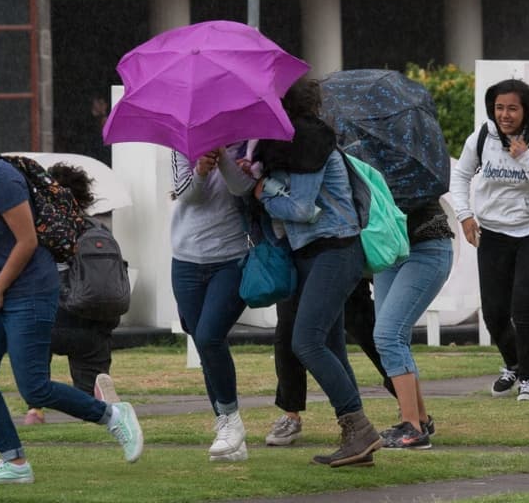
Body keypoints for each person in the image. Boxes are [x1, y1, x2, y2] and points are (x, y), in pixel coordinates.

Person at [0, 114, 143, 486]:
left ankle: (114, 417)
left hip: (30, 292)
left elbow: (27, 242)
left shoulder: (1, 177)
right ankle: (14, 462)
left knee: (34, 387)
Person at [253, 79, 381, 468]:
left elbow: (302, 208)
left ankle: (359, 428)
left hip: (333, 250)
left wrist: (263, 192)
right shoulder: (298, 144)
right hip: (317, 253)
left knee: (305, 342)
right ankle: (356, 441)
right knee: (331, 346)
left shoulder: (309, 143)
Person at [449, 79, 529, 402]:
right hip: (493, 232)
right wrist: (464, 215)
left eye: (512, 108)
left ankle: (528, 380)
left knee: (523, 307)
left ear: (526, 110)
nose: (505, 115)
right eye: (499, 108)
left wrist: (526, 159)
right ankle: (513, 363)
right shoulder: (482, 136)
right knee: (494, 313)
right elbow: (461, 175)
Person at [170, 142, 256, 462]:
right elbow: (187, 195)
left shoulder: (249, 142)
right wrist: (201, 171)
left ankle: (231, 421)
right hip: (186, 258)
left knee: (209, 336)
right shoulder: (182, 144)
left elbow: (243, 189)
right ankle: (227, 428)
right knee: (202, 341)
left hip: (231, 258)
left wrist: (223, 161)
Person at [23, 163, 121, 426]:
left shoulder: (41, 231)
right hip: (95, 322)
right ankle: (98, 393)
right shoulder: (99, 231)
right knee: (88, 398)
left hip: (54, 320)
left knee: (31, 335)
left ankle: (35, 409)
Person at [263, 279, 398, 449]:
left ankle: (408, 404)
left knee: (359, 320)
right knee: (289, 329)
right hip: (298, 258)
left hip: (337, 259)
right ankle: (292, 414)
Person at [373, 185, 454, 449]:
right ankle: (419, 419)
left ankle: (413, 430)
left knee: (388, 335)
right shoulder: (355, 148)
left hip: (427, 246)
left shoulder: (407, 150)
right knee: (395, 338)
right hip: (390, 248)